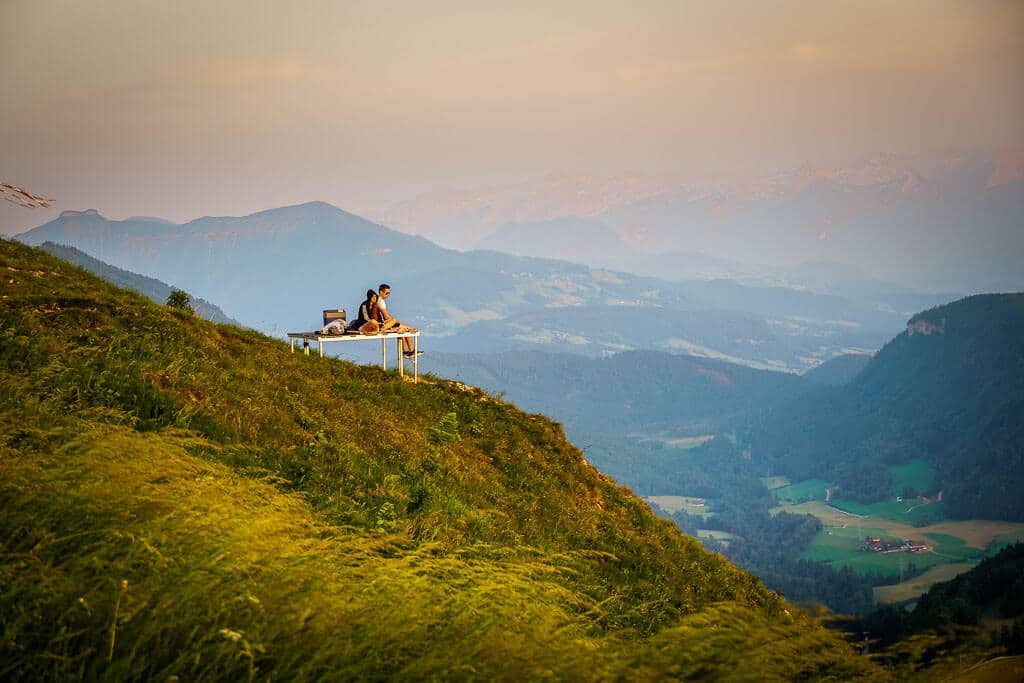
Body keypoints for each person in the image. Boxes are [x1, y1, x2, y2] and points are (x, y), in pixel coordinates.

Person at [377, 283, 421, 356]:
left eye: (389, 293)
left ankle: (405, 351)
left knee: (402, 329)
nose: (388, 295)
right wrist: (396, 322)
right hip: (385, 324)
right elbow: (386, 317)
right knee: (407, 328)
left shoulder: (378, 300)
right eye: (386, 293)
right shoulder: (381, 301)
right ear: (381, 292)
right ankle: (411, 351)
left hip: (383, 322)